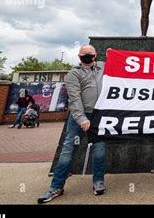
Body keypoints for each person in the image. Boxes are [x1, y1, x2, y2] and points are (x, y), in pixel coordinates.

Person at [37, 45, 107, 203]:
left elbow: (125, 65)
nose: (87, 56)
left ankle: (98, 181)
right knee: (68, 150)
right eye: (84, 54)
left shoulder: (103, 66)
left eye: (90, 54)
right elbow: (74, 99)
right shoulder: (73, 73)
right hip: (79, 117)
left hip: (98, 116)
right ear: (79, 56)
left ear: (95, 55)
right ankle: (56, 186)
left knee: (99, 150)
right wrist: (82, 119)